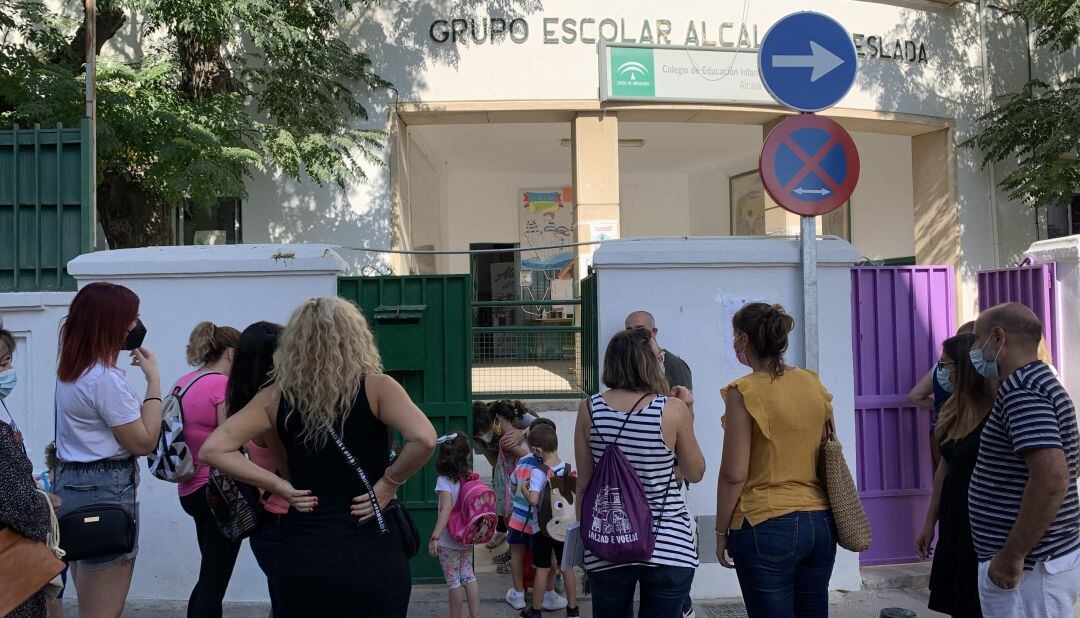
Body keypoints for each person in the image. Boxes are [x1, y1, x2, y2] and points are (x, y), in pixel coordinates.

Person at [200, 296, 437, 617]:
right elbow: (423, 439)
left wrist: (280, 487)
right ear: (357, 338)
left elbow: (214, 449)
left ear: (293, 343)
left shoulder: (273, 397)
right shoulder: (379, 388)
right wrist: (388, 484)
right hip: (371, 542)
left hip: (305, 544)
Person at [715, 303, 836, 618]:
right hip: (820, 522)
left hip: (765, 521)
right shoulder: (812, 382)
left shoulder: (744, 391)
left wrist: (720, 531)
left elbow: (733, 474)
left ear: (743, 339)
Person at [575, 328, 705, 616]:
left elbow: (583, 484)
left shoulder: (590, 408)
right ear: (648, 363)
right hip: (667, 544)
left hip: (609, 542)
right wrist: (687, 410)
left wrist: (587, 541)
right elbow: (695, 472)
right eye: (658, 358)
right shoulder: (672, 409)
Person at [53, 282, 162, 618]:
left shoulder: (72, 371)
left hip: (73, 487)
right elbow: (144, 442)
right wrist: (153, 379)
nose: (137, 324)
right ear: (111, 323)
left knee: (88, 598)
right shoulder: (103, 379)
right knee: (102, 611)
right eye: (133, 317)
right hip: (106, 491)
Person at [968, 303, 1080, 616]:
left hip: (1029, 570)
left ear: (998, 337)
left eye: (978, 341)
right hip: (1040, 563)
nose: (975, 350)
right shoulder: (1044, 381)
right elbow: (1072, 462)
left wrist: (1012, 555)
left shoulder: (1023, 391)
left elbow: (1052, 478)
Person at [915, 333, 993, 617]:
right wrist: (929, 523)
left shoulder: (997, 410)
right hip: (953, 521)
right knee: (957, 603)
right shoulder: (953, 408)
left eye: (946, 365)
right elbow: (944, 470)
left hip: (983, 527)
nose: (942, 372)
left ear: (965, 368)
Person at [626, 310, 698, 618]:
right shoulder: (627, 364)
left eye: (640, 330)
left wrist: (681, 468)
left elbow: (685, 418)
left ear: (655, 331)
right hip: (637, 477)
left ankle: (682, 604)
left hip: (669, 474)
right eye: (630, 330)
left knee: (670, 545)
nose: (636, 335)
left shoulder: (674, 366)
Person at [174, 321, 240, 618]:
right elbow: (232, 440)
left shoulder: (184, 381)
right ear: (230, 353)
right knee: (215, 580)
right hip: (218, 491)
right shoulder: (222, 386)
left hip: (190, 488)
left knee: (209, 573)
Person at [225, 321, 288, 617]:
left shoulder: (238, 401)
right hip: (284, 517)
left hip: (266, 517)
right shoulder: (269, 408)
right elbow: (289, 471)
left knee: (280, 599)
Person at [0, 323, 55, 618]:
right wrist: (45, 506)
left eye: (7, 362)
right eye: (2, 364)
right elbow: (14, 503)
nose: (6, 372)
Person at [523, 421, 579, 618]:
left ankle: (536, 610)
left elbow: (534, 500)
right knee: (567, 568)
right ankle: (573, 610)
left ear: (537, 450)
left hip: (544, 530)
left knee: (542, 569)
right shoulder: (569, 468)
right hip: (566, 529)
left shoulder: (538, 473)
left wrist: (523, 488)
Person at [908, 321, 976, 470]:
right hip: (967, 434)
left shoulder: (938, 368)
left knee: (945, 481)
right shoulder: (982, 370)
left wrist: (941, 405)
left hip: (939, 431)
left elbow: (914, 396)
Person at [428, 433, 481, 618]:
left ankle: (454, 616)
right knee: (469, 575)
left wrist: (435, 536)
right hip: (467, 536)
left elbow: (446, 508)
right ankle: (475, 615)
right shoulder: (470, 477)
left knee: (454, 581)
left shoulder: (444, 480)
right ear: (466, 456)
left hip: (449, 539)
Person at [471, 401, 509, 562]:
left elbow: (536, 425)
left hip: (520, 462)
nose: (483, 434)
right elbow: (490, 456)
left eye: (485, 430)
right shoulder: (476, 437)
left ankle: (514, 542)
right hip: (501, 462)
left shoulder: (505, 417)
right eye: (478, 433)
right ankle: (501, 531)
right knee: (500, 497)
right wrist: (501, 473)